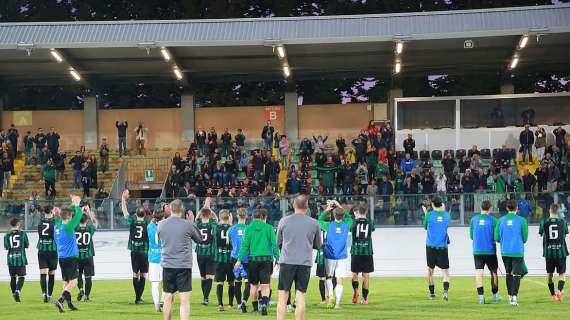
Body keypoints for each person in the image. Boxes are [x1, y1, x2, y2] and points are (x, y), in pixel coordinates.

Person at [157, 199, 207, 320]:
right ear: (182, 210)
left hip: (168, 265)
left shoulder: (161, 224)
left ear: (170, 209)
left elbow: (160, 239)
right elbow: (200, 239)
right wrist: (192, 222)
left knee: (168, 297)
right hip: (183, 265)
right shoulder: (187, 224)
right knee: (184, 300)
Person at [276, 195, 322, 320]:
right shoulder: (314, 223)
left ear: (293, 205)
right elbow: (318, 245)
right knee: (300, 297)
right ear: (307, 207)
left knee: (282, 297)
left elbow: (278, 242)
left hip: (287, 262)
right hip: (304, 263)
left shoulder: (283, 221)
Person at [235, 208, 280, 316]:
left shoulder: (248, 228)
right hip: (266, 260)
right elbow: (274, 245)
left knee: (254, 286)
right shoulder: (269, 228)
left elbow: (244, 246)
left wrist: (239, 260)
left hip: (253, 261)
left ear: (252, 217)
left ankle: (255, 308)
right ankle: (264, 304)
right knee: (265, 285)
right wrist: (278, 258)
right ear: (262, 217)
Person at [53, 195, 85, 313]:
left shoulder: (57, 226)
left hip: (61, 257)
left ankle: (69, 304)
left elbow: (64, 213)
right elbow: (80, 213)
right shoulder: (69, 226)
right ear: (69, 217)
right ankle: (61, 300)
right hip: (71, 258)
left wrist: (72, 203)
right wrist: (76, 204)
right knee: (74, 282)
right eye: (71, 216)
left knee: (66, 282)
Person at [319, 201, 353, 309]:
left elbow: (319, 220)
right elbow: (350, 217)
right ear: (342, 215)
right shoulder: (347, 224)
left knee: (328, 277)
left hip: (330, 255)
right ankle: (337, 304)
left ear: (333, 215)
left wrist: (328, 209)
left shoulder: (328, 225)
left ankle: (331, 296)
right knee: (339, 280)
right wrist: (339, 206)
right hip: (342, 256)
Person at [495, 200, 528, 306]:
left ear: (507, 208)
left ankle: (510, 296)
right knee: (517, 275)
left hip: (505, 252)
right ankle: (514, 298)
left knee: (508, 274)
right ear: (517, 208)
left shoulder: (500, 220)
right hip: (517, 251)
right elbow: (525, 238)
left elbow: (497, 238)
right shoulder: (522, 220)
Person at [469, 200, 501, 304]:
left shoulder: (473, 219)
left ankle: (481, 297)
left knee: (479, 273)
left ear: (481, 208)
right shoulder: (494, 220)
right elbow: (497, 237)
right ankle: (495, 295)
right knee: (494, 273)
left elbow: (471, 236)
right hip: (490, 251)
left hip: (477, 251)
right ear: (490, 208)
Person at [121, 190, 149, 305]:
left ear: (136, 214)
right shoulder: (147, 223)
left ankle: (137, 298)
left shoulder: (132, 220)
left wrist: (123, 199)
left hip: (134, 251)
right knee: (143, 274)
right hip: (144, 252)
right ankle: (139, 297)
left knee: (135, 273)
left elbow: (125, 212)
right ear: (145, 214)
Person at [423, 196, 450, 301]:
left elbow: (425, 227)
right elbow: (442, 211)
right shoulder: (447, 216)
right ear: (441, 204)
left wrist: (426, 212)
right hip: (442, 247)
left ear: (433, 204)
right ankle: (445, 292)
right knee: (446, 272)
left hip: (430, 247)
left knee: (430, 271)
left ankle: (432, 294)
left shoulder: (429, 215)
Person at [539, 204, 568, 301]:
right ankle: (559, 292)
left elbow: (541, 234)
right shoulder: (563, 222)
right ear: (558, 211)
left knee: (549, 275)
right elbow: (564, 235)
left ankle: (552, 295)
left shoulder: (544, 221)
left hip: (549, 252)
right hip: (561, 252)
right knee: (562, 274)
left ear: (549, 210)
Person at [195, 199, 218, 306]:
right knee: (209, 277)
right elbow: (216, 220)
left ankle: (205, 298)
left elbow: (196, 218)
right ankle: (206, 298)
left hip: (200, 253)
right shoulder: (212, 224)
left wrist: (203, 208)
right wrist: (210, 210)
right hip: (210, 253)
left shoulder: (198, 224)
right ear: (209, 215)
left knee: (203, 277)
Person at [350, 205, 375, 305]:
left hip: (356, 251)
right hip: (367, 252)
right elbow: (372, 229)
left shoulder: (354, 222)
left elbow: (351, 229)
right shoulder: (370, 222)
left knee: (354, 274)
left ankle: (356, 290)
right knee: (366, 275)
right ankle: (364, 299)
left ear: (358, 212)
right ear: (367, 211)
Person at [213, 210, 235, 311]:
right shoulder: (233, 228)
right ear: (229, 217)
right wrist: (230, 223)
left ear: (219, 217)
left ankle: (220, 305)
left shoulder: (216, 227)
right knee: (231, 283)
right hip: (230, 259)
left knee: (220, 283)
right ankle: (230, 304)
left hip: (219, 259)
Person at [75, 205, 98, 302]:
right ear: (86, 220)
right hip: (88, 256)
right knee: (88, 277)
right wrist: (89, 211)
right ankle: (87, 297)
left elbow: (74, 220)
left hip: (77, 256)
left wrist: (79, 211)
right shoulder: (89, 228)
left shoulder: (75, 228)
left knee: (78, 274)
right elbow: (95, 222)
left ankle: (80, 289)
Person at [229, 208, 250, 313]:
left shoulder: (232, 229)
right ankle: (244, 301)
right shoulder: (249, 228)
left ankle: (238, 304)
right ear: (246, 216)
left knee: (237, 281)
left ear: (237, 216)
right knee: (247, 281)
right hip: (247, 258)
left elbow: (229, 243)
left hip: (235, 257)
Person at [4, 217, 29, 302]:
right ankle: (17, 292)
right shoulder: (22, 233)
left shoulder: (7, 235)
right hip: (20, 258)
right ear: (18, 224)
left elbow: (6, 247)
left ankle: (14, 295)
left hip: (11, 259)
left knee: (13, 277)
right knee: (21, 277)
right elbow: (27, 245)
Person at [37, 205, 58, 303]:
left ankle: (44, 294)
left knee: (43, 273)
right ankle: (49, 295)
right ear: (51, 212)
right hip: (52, 250)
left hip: (42, 249)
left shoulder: (40, 221)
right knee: (51, 273)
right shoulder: (55, 222)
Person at [148, 208, 165, 312]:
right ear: (162, 218)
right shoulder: (165, 227)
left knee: (155, 283)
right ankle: (163, 300)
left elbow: (152, 222)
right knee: (165, 282)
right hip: (164, 257)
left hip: (153, 258)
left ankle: (156, 306)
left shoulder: (149, 226)